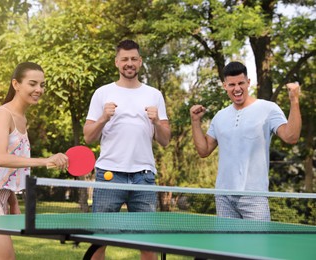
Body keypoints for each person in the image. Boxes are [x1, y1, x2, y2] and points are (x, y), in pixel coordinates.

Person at [0, 62, 69, 260]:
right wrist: (45, 161)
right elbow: (0, 159)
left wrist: (12, 201)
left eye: (42, 85)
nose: (38, 89)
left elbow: (8, 170)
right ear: (16, 84)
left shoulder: (22, 118)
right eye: (33, 84)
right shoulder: (3, 114)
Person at [83, 39, 171, 260]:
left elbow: (165, 140)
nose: (129, 63)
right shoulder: (102, 93)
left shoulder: (154, 95)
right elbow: (88, 136)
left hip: (144, 177)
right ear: (117, 62)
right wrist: (104, 117)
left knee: (147, 244)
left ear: (140, 62)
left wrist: (157, 122)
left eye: (133, 59)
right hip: (109, 174)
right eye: (124, 59)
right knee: (99, 242)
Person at [189, 61, 301, 221]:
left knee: (258, 246)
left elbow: (291, 137)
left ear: (248, 82)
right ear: (224, 86)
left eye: (241, 83)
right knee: (226, 247)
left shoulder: (268, 109)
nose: (237, 88)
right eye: (232, 84)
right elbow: (203, 150)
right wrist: (195, 122)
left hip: (254, 196)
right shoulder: (220, 116)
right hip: (224, 196)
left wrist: (294, 101)